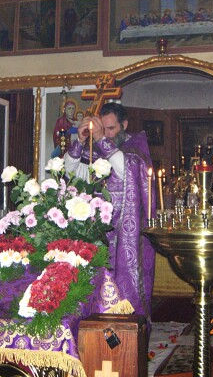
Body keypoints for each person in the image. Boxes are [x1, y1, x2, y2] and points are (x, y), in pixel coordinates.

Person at [64, 102, 156, 320]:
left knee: (124, 293)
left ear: (124, 125)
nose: (105, 134)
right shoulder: (96, 148)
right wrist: (80, 141)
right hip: (97, 232)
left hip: (127, 234)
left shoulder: (136, 147)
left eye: (111, 128)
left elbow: (125, 169)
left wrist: (100, 139)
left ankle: (130, 334)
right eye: (102, 129)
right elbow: (69, 171)